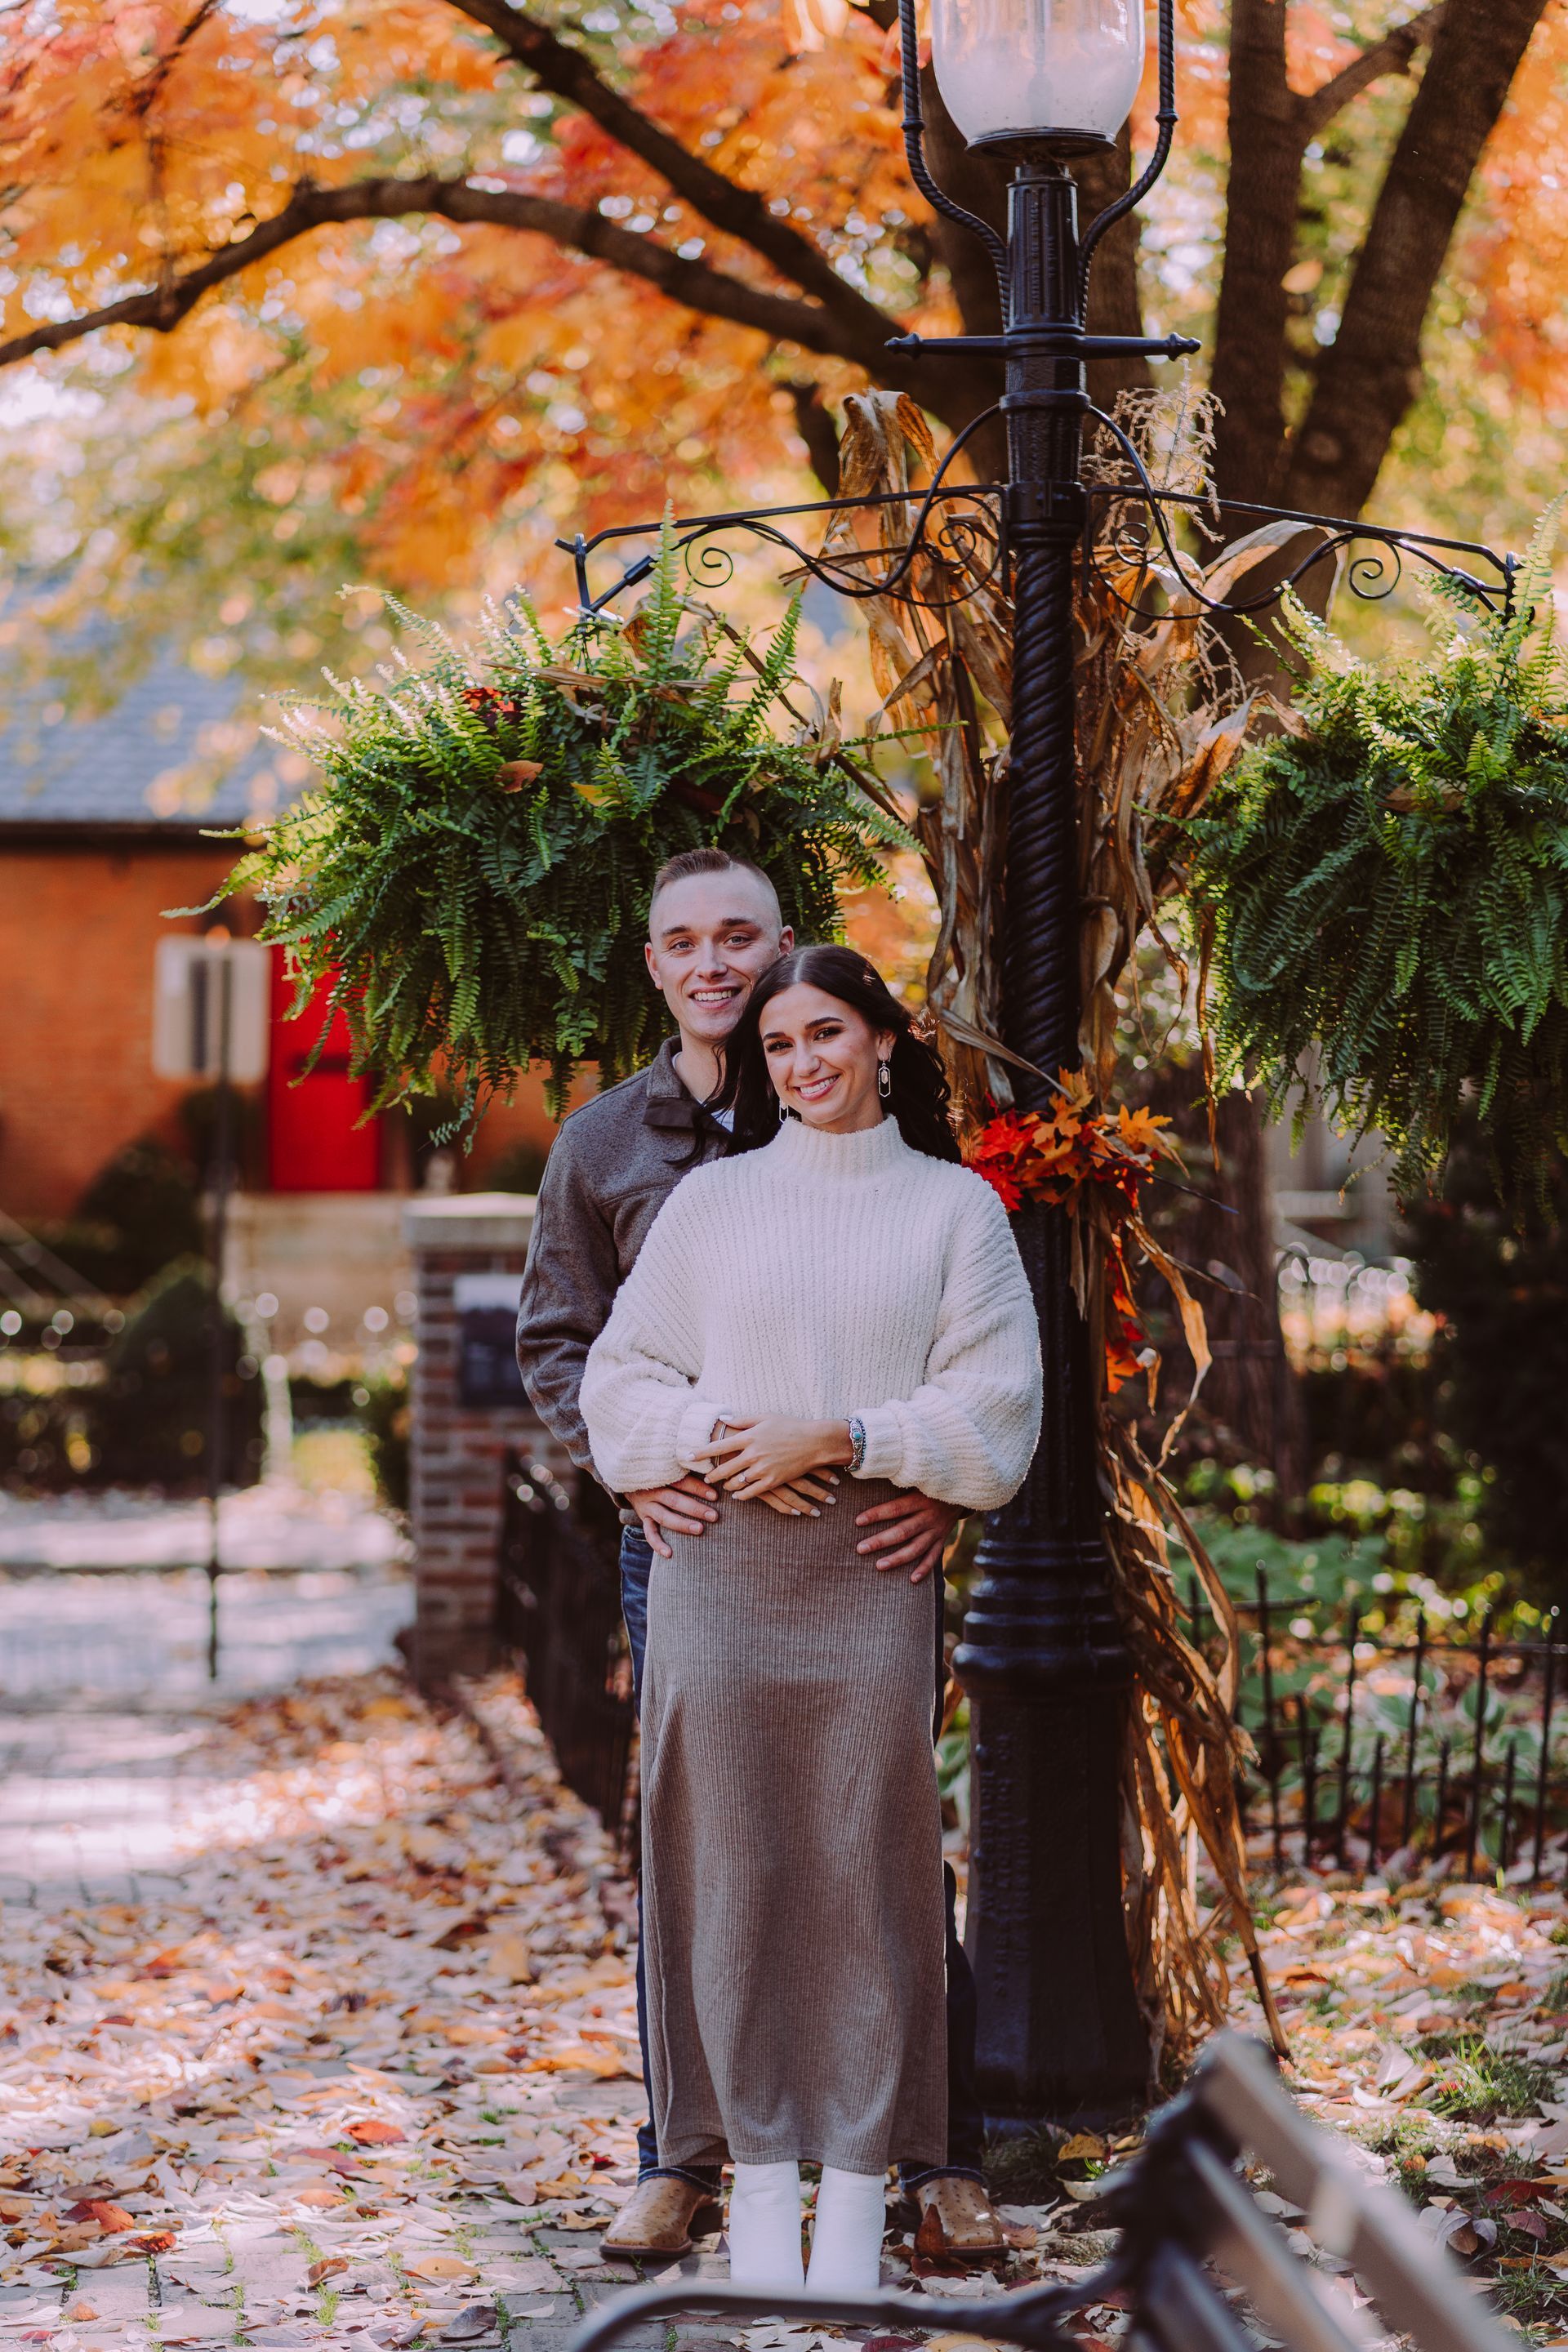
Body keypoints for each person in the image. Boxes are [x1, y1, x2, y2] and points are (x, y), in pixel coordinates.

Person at [515, 853, 1006, 2265]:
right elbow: (573, 1347)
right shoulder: (607, 1143)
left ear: (787, 951)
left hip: (866, 1543)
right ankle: (687, 2156)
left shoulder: (898, 1150)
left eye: (743, 938)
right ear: (656, 963)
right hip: (682, 1542)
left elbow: (939, 1362)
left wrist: (936, 1489)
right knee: (698, 1838)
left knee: (881, 1834)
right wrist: (649, 1474)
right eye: (687, 943)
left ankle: (931, 2154)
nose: (717, 964)